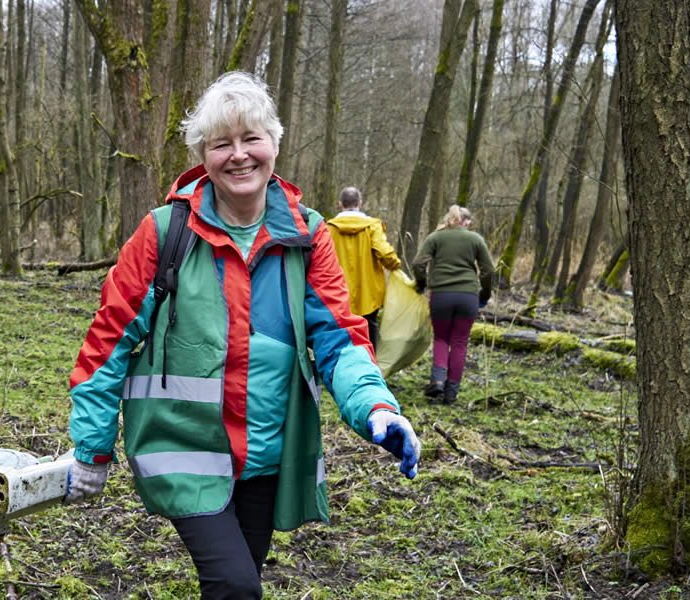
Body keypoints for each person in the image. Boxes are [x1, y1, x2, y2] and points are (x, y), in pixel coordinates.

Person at [63, 71, 421, 600]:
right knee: (235, 586)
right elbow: (107, 342)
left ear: (274, 143)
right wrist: (91, 449)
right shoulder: (164, 232)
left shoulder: (308, 235)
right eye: (220, 143)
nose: (239, 155)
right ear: (202, 155)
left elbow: (340, 339)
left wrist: (377, 408)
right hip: (183, 449)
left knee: (239, 583)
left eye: (251, 138)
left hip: (267, 455)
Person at [412, 204, 495, 405]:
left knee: (441, 339)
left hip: (441, 295)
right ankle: (451, 394)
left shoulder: (436, 237)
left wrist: (422, 284)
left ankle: (437, 380)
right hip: (468, 297)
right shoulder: (475, 239)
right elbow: (489, 270)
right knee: (459, 342)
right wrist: (484, 294)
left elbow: (418, 263)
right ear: (465, 222)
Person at [327, 187, 402, 347]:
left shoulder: (328, 228)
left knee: (341, 332)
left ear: (340, 204)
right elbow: (385, 253)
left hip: (337, 293)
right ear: (360, 204)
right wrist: (396, 265)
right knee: (369, 331)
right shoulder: (372, 226)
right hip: (369, 294)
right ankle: (369, 367)